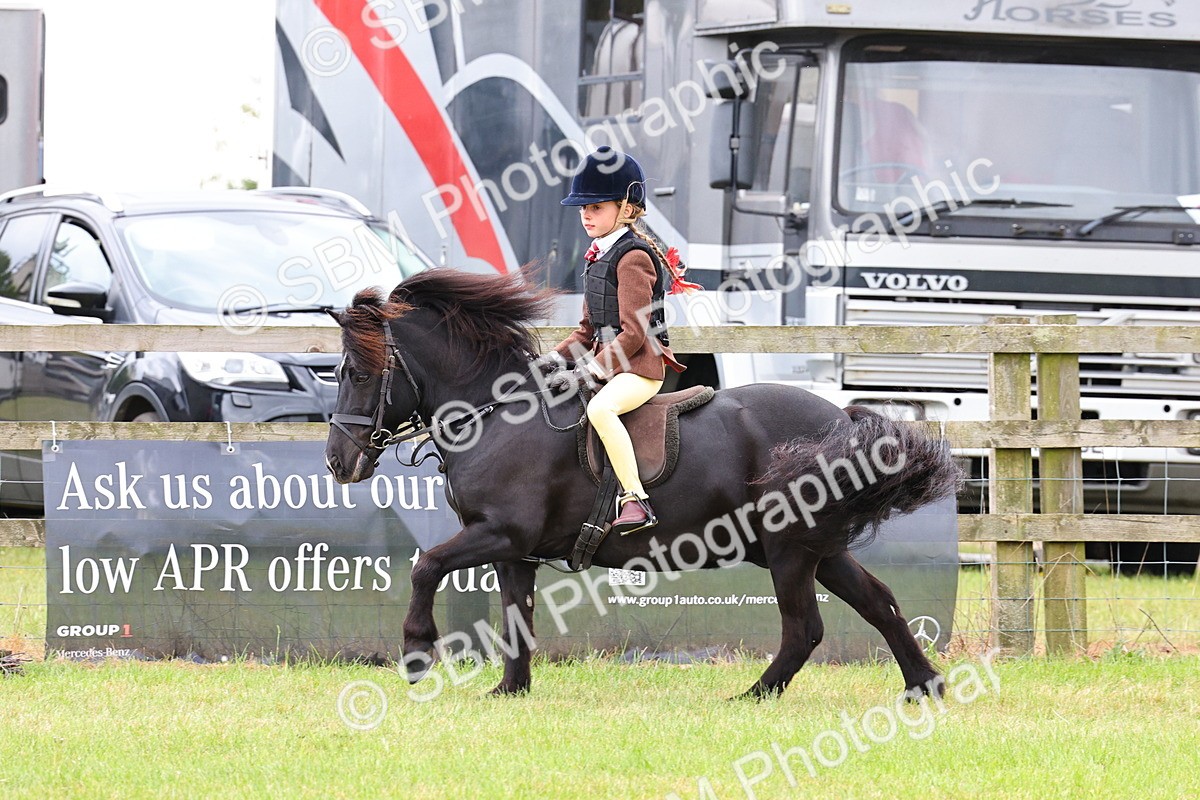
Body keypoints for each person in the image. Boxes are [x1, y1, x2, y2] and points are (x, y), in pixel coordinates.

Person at [551, 146, 698, 535]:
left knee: (600, 410)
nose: (585, 215)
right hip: (611, 364)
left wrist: (588, 369)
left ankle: (636, 500)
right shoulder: (598, 256)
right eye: (582, 209)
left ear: (627, 208)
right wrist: (550, 360)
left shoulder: (632, 257)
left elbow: (634, 333)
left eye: (596, 207)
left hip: (640, 369)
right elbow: (587, 330)